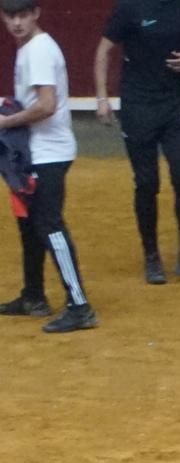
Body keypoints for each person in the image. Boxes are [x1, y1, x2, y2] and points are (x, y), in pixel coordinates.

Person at [93, 0, 180, 284]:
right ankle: (151, 256)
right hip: (139, 106)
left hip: (175, 103)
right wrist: (102, 98)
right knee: (147, 182)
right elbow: (103, 50)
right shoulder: (130, 7)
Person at [1, 0, 96, 333]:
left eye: (22, 16)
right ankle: (33, 296)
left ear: (36, 14)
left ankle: (80, 306)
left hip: (48, 154)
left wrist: (6, 121)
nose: (16, 23)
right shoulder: (31, 47)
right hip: (39, 151)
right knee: (29, 225)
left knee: (48, 224)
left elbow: (46, 106)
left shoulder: (39, 50)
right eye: (10, 16)